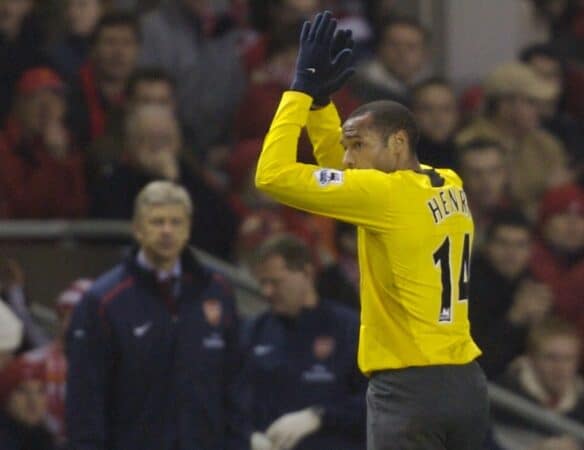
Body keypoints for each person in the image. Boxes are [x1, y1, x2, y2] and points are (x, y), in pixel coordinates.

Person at [254, 11, 489, 450]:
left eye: (357, 145)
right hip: (465, 384)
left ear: (398, 142)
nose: (347, 158)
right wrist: (323, 109)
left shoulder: (385, 196)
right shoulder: (448, 181)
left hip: (409, 387)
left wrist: (300, 92)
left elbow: (271, 175)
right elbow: (341, 178)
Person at [66, 181, 249, 450]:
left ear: (188, 229)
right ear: (137, 229)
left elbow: (235, 385)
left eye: (176, 222)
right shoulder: (104, 301)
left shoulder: (217, 291)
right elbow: (86, 398)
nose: (167, 231)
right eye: (157, 222)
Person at [242, 234, 366, 450]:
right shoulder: (255, 331)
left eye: (275, 282)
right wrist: (247, 435)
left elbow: (374, 402)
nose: (267, 292)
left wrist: (320, 416)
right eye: (262, 283)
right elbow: (233, 397)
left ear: (307, 273)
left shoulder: (349, 328)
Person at [468, 211, 552, 379]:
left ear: (530, 250)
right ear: (487, 246)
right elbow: (475, 362)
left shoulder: (532, 286)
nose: (511, 253)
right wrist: (514, 319)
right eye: (503, 243)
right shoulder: (466, 286)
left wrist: (540, 326)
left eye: (520, 245)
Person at [0, 67, 88, 219]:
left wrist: (62, 158)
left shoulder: (68, 147)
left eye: (55, 98)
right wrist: (54, 161)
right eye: (36, 97)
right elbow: (28, 210)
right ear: (19, 105)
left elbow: (77, 210)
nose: (47, 108)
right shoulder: (4, 148)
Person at [493, 317, 584, 450]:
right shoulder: (501, 400)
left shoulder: (581, 404)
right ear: (531, 358)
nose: (560, 368)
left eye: (568, 359)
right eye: (551, 357)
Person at [0, 354, 56, 450]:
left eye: (40, 391)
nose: (33, 401)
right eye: (22, 390)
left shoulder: (46, 439)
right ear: (6, 398)